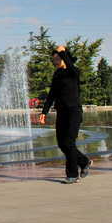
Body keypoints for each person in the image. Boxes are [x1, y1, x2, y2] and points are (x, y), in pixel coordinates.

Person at [40, 44, 92, 184]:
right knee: (62, 145)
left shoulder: (73, 72)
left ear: (64, 59)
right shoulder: (57, 75)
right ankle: (84, 161)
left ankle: (72, 175)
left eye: (57, 59)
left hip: (73, 112)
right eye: (54, 60)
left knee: (69, 143)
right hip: (61, 112)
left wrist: (63, 52)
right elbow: (51, 95)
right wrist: (44, 111)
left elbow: (70, 65)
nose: (55, 62)